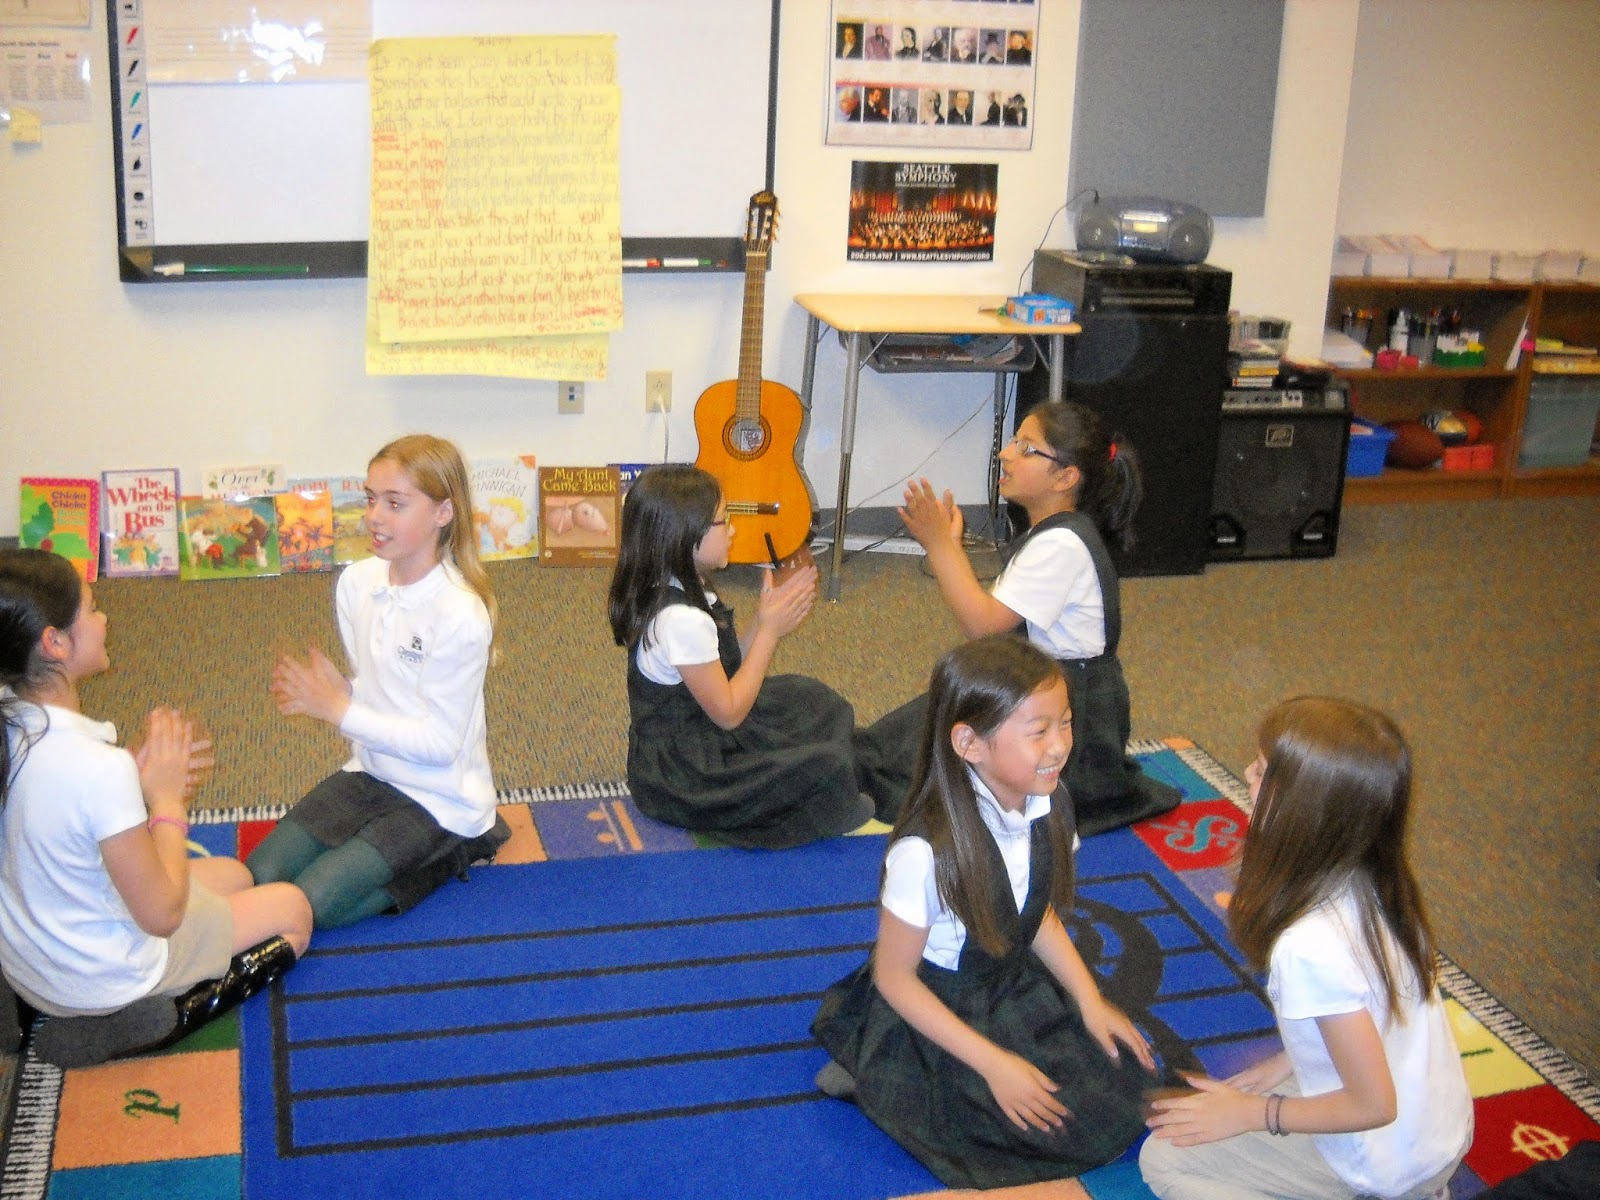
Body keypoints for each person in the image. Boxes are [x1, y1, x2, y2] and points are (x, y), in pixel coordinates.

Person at [812, 636, 1160, 1190]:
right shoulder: (924, 853)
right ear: (969, 743)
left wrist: (1088, 1000)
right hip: (942, 999)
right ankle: (874, 1067)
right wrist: (994, 1064)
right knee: (1012, 1135)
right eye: (1038, 731)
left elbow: (1034, 914)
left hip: (1011, 982)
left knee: (1119, 1089)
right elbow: (895, 978)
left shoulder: (1051, 804)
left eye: (1066, 723)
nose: (1059, 746)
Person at [1141, 696, 1473, 1200]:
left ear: (1300, 810)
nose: (1246, 773)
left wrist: (1254, 1113)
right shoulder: (1379, 883)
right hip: (1437, 1130)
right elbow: (1377, 1021)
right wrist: (1283, 1065)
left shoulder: (1307, 948)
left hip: (1387, 1162)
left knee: (1166, 1159)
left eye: (1261, 771)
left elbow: (1374, 1105)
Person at [0, 549, 312, 1068]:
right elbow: (162, 915)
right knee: (294, 912)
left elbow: (61, 812)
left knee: (235, 875)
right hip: (105, 975)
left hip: (35, 961)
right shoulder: (96, 770)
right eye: (93, 609)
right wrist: (166, 801)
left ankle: (35, 1004)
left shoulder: (11, 722)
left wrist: (130, 776)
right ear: (54, 642)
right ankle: (152, 1019)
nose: (105, 620)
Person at [863, 402, 1181, 836]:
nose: (1005, 454)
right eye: (1013, 442)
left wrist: (941, 546)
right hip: (1036, 691)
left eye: (1026, 448)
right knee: (895, 746)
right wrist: (947, 547)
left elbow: (982, 625)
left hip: (1065, 718)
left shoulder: (1061, 545)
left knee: (909, 773)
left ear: (1065, 478)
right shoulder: (1049, 534)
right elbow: (994, 621)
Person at [248, 435, 508, 929]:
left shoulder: (460, 614)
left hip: (441, 797)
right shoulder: (357, 583)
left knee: (311, 902)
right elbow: (381, 691)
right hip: (373, 770)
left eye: (395, 504)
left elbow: (440, 746)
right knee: (263, 872)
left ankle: (470, 842)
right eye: (370, 499)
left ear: (443, 513)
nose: (374, 517)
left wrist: (340, 710)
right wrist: (346, 693)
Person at [606, 465, 875, 848]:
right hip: (685, 774)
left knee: (814, 700)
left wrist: (763, 620)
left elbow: (724, 664)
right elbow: (730, 714)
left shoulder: (677, 582)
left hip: (702, 728)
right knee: (825, 768)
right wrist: (769, 633)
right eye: (723, 520)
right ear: (686, 537)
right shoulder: (680, 619)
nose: (732, 530)